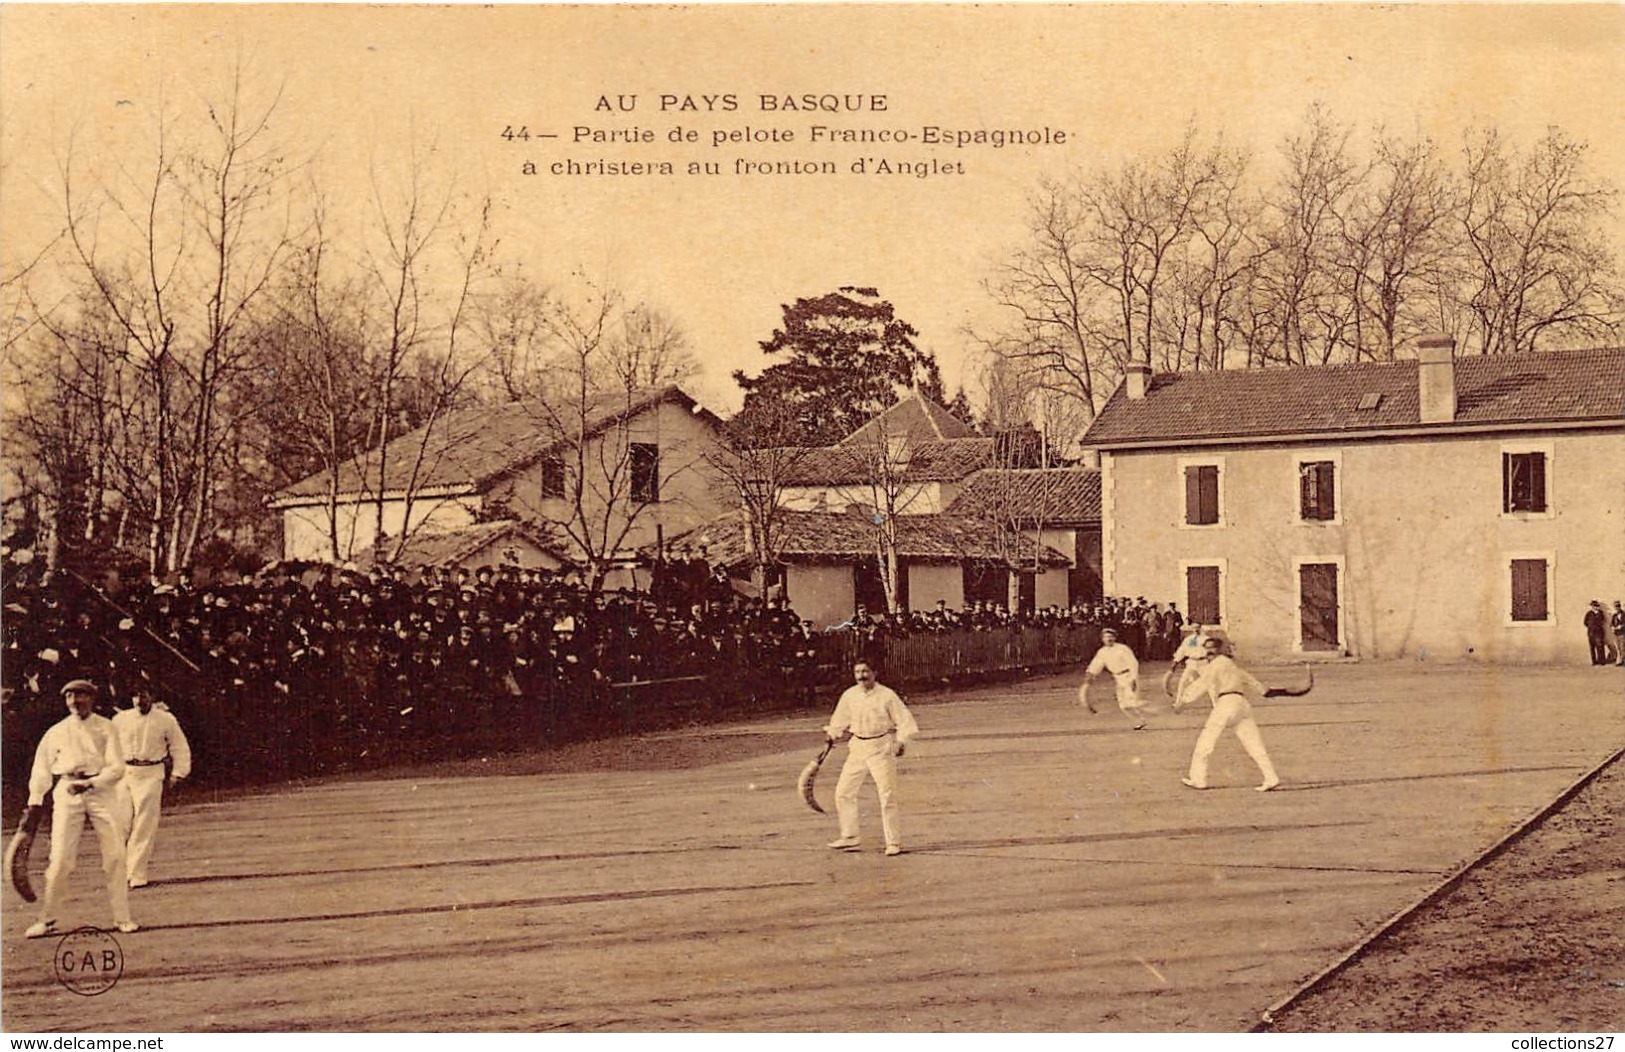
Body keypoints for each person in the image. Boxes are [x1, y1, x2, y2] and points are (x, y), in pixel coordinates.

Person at [22, 679, 138, 938]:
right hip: (67, 790)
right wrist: (35, 801)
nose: (75, 702)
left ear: (92, 699)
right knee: (61, 858)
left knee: (116, 856)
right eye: (70, 697)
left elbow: (117, 767)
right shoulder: (56, 731)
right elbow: (41, 769)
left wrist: (91, 783)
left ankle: (123, 917)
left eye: (81, 696)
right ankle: (47, 919)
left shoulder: (106, 727)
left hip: (101, 790)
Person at [823, 661, 919, 857]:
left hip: (881, 747)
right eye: (857, 671)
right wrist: (832, 735)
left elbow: (904, 719)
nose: (861, 675)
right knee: (843, 792)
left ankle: (893, 842)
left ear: (875, 672)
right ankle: (850, 835)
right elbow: (840, 719)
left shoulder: (886, 695)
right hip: (857, 747)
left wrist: (901, 741)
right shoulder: (850, 695)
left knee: (887, 795)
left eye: (865, 671)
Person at [1175, 634, 1281, 792]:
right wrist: (1264, 691)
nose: (1208, 653)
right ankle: (1271, 777)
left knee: (1206, 741)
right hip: (1242, 705)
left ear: (1218, 650)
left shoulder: (1216, 664)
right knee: (1253, 744)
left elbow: (1203, 683)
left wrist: (1183, 702)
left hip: (1226, 703)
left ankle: (1198, 779)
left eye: (1211, 650)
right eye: (1207, 650)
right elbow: (1252, 681)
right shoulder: (1231, 665)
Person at [113, 684, 193, 889]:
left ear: (152, 696)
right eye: (135, 697)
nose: (139, 701)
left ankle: (137, 872)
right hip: (124, 772)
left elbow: (179, 746)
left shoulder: (166, 719)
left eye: (143, 696)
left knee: (144, 823)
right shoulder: (121, 719)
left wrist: (178, 772)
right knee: (120, 823)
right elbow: (110, 748)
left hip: (150, 773)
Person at [1079, 626, 1147, 730]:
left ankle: (1156, 710)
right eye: (1106, 637)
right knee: (1123, 706)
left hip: (1129, 676)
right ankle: (1140, 721)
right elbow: (1095, 666)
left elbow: (1133, 663)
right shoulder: (1102, 652)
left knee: (1132, 702)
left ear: (1115, 638)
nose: (1109, 639)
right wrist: (1089, 678)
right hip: (1118, 679)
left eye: (1111, 636)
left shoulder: (1122, 648)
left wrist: (1134, 678)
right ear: (1102, 639)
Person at [1584, 600, 1609, 665]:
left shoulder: (1600, 613)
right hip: (1591, 632)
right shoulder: (1589, 613)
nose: (1594, 607)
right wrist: (1591, 626)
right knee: (1592, 647)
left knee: (1600, 646)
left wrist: (1597, 625)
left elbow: (1603, 621)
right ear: (1591, 606)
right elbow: (1585, 622)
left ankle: (1601, 661)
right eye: (1593, 606)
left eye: (1596, 606)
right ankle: (1594, 661)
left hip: (1599, 632)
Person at [1611, 601, 1625, 668]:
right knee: (1618, 648)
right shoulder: (1614, 615)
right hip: (1616, 634)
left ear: (1620, 607)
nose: (1617, 608)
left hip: (1622, 633)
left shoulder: (1624, 615)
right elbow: (1611, 624)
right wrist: (1612, 627)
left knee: (1622, 647)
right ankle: (1619, 661)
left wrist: (1621, 626)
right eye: (1615, 607)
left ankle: (1623, 661)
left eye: (1618, 606)